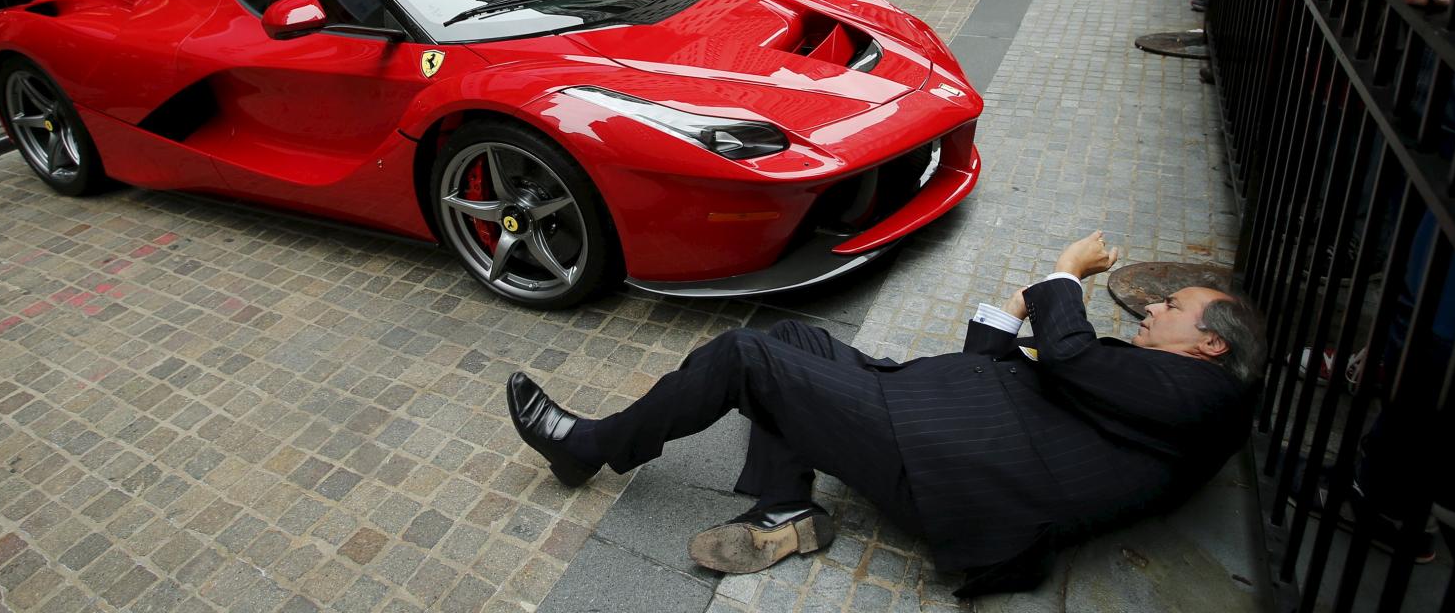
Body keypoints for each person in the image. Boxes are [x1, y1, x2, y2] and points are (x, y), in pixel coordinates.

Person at [507, 231, 1263, 596]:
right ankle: (783, 513)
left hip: (949, 475)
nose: (1154, 305)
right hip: (946, 423)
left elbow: (1067, 360)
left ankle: (592, 446)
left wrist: (1062, 275)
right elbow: (1001, 366)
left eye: (1173, 306)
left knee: (749, 359)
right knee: (795, 339)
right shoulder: (1170, 388)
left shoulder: (1206, 399)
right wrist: (1011, 308)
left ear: (1206, 344)